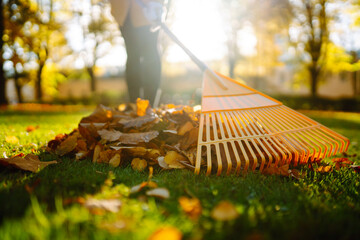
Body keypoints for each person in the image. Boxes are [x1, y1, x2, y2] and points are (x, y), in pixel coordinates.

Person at [109, 0, 164, 106]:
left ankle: (150, 105)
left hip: (148, 8)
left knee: (150, 53)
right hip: (124, 10)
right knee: (132, 55)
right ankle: (135, 104)